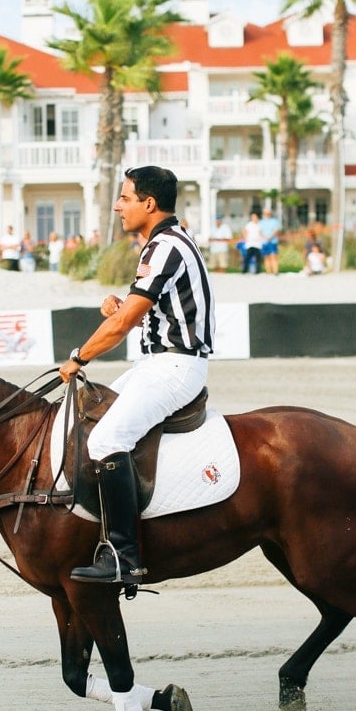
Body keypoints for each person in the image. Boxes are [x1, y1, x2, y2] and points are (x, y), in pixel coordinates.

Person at [58, 166, 214, 588]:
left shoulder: (164, 246)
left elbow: (126, 323)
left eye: (124, 198)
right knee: (90, 418)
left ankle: (124, 556)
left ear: (148, 203)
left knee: (107, 440)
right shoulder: (163, 243)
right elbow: (139, 306)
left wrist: (78, 357)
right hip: (156, 364)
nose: (117, 206)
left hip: (175, 367)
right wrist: (119, 303)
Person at [259, 206, 280, 274]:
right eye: (266, 213)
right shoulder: (261, 221)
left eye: (268, 213)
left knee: (273, 256)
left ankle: (275, 271)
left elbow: (276, 230)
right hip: (264, 241)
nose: (267, 214)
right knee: (266, 257)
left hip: (272, 241)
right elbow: (259, 231)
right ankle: (268, 271)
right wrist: (265, 238)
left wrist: (270, 237)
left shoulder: (274, 221)